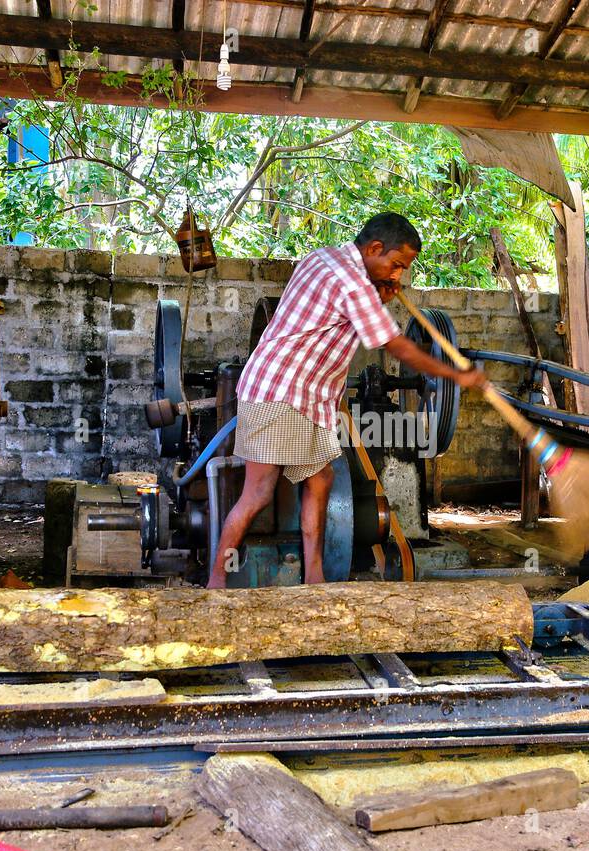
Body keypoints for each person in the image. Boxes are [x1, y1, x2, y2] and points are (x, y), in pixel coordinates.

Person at [206, 212, 487, 588]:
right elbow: (396, 345)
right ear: (374, 249)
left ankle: (315, 576)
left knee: (321, 478)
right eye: (396, 264)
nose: (398, 276)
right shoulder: (352, 283)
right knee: (257, 493)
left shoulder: (325, 258)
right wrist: (457, 374)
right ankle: (216, 579)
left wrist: (381, 293)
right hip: (279, 393)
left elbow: (349, 316)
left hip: (307, 398)